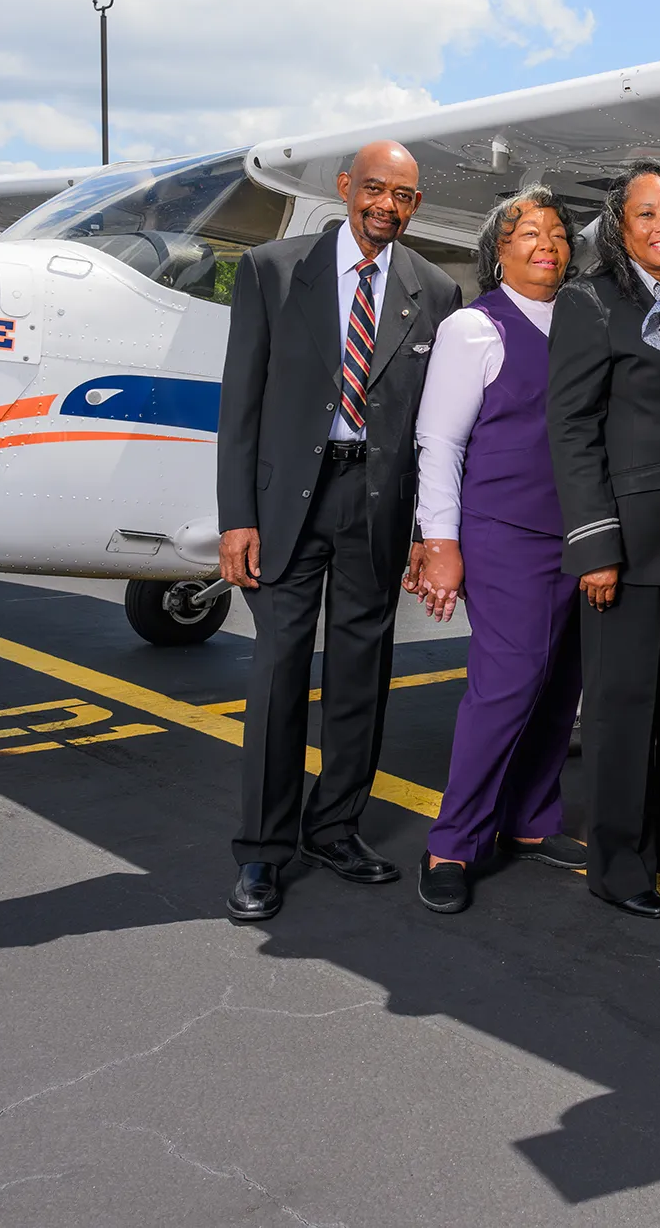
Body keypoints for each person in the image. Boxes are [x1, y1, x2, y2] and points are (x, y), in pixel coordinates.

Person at [216, 140, 463, 922]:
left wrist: (430, 528)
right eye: (377, 190)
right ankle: (261, 852)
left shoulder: (437, 290)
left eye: (405, 197)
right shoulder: (272, 271)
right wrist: (236, 519)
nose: (389, 206)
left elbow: (435, 424)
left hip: (377, 501)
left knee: (362, 676)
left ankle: (335, 827)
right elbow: (240, 408)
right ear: (346, 187)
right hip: (289, 502)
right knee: (280, 676)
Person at [547, 161, 660, 918]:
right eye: (646, 214)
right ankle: (619, 862)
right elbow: (572, 430)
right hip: (630, 536)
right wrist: (595, 547)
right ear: (620, 227)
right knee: (623, 706)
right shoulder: (590, 302)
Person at [405, 189, 588, 914]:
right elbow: (440, 443)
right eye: (527, 232)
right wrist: (439, 543)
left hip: (576, 530)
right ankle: (452, 839)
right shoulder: (473, 329)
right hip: (505, 531)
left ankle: (531, 820)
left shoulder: (581, 321)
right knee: (509, 680)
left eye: (556, 232)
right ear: (500, 251)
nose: (545, 242)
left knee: (560, 681)